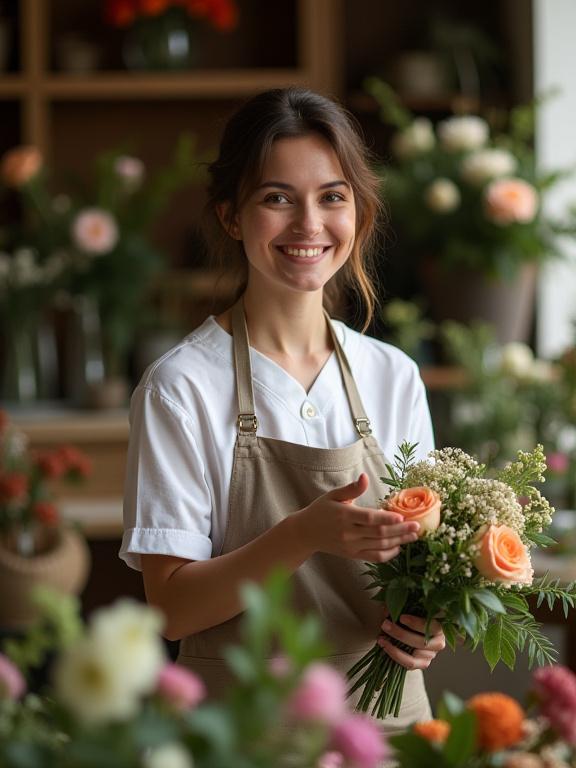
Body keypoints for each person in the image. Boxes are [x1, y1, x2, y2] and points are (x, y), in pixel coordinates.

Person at [121, 87, 445, 733]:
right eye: (277, 198)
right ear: (231, 216)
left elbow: (423, 566)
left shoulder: (392, 376)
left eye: (332, 196)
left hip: (383, 726)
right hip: (244, 730)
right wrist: (299, 535)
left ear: (360, 214)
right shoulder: (180, 387)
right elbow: (171, 611)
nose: (308, 225)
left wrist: (428, 627)